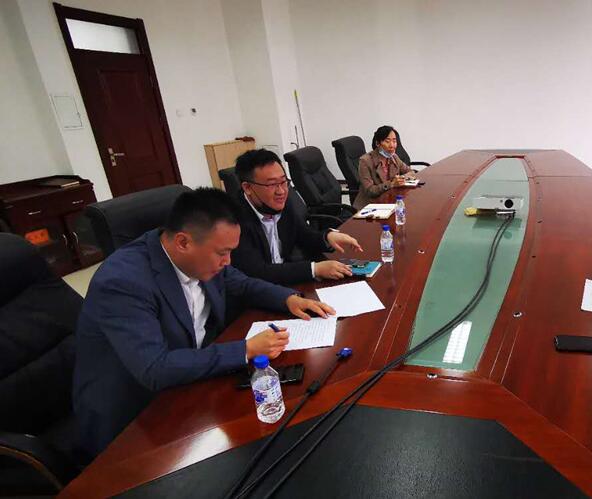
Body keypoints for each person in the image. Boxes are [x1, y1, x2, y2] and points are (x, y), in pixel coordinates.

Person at [73, 188, 335, 458]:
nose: (228, 261)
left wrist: (288, 299)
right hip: (137, 420)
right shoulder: (122, 282)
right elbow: (155, 368)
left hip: (193, 386)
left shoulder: (200, 256)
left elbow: (242, 283)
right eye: (222, 253)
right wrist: (245, 349)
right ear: (183, 242)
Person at [230, 149, 363, 284]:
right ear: (247, 188)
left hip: (288, 282)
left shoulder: (280, 203)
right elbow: (257, 272)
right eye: (272, 184)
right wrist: (314, 269)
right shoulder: (233, 220)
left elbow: (303, 234)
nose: (281, 191)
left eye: (283, 181)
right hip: (260, 289)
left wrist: (327, 237)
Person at [353, 125, 415, 209]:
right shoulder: (365, 161)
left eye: (394, 141)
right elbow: (370, 191)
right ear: (378, 143)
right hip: (370, 205)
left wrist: (401, 178)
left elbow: (411, 172)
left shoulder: (393, 157)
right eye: (387, 141)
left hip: (389, 201)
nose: (392, 145)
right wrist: (391, 184)